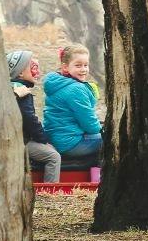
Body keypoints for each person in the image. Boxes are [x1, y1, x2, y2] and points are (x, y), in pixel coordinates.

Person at [6, 50, 61, 183]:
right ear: (19, 73)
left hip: (12, 138)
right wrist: (43, 139)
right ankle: (50, 191)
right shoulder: (22, 92)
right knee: (53, 156)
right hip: (19, 141)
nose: (37, 72)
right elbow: (29, 118)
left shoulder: (9, 88)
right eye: (32, 68)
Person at [43, 46, 104, 165]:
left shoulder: (57, 83)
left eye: (86, 65)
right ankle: (101, 178)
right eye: (78, 65)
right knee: (113, 139)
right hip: (70, 143)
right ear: (65, 67)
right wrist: (102, 129)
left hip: (57, 138)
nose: (83, 69)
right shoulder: (76, 89)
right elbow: (90, 125)